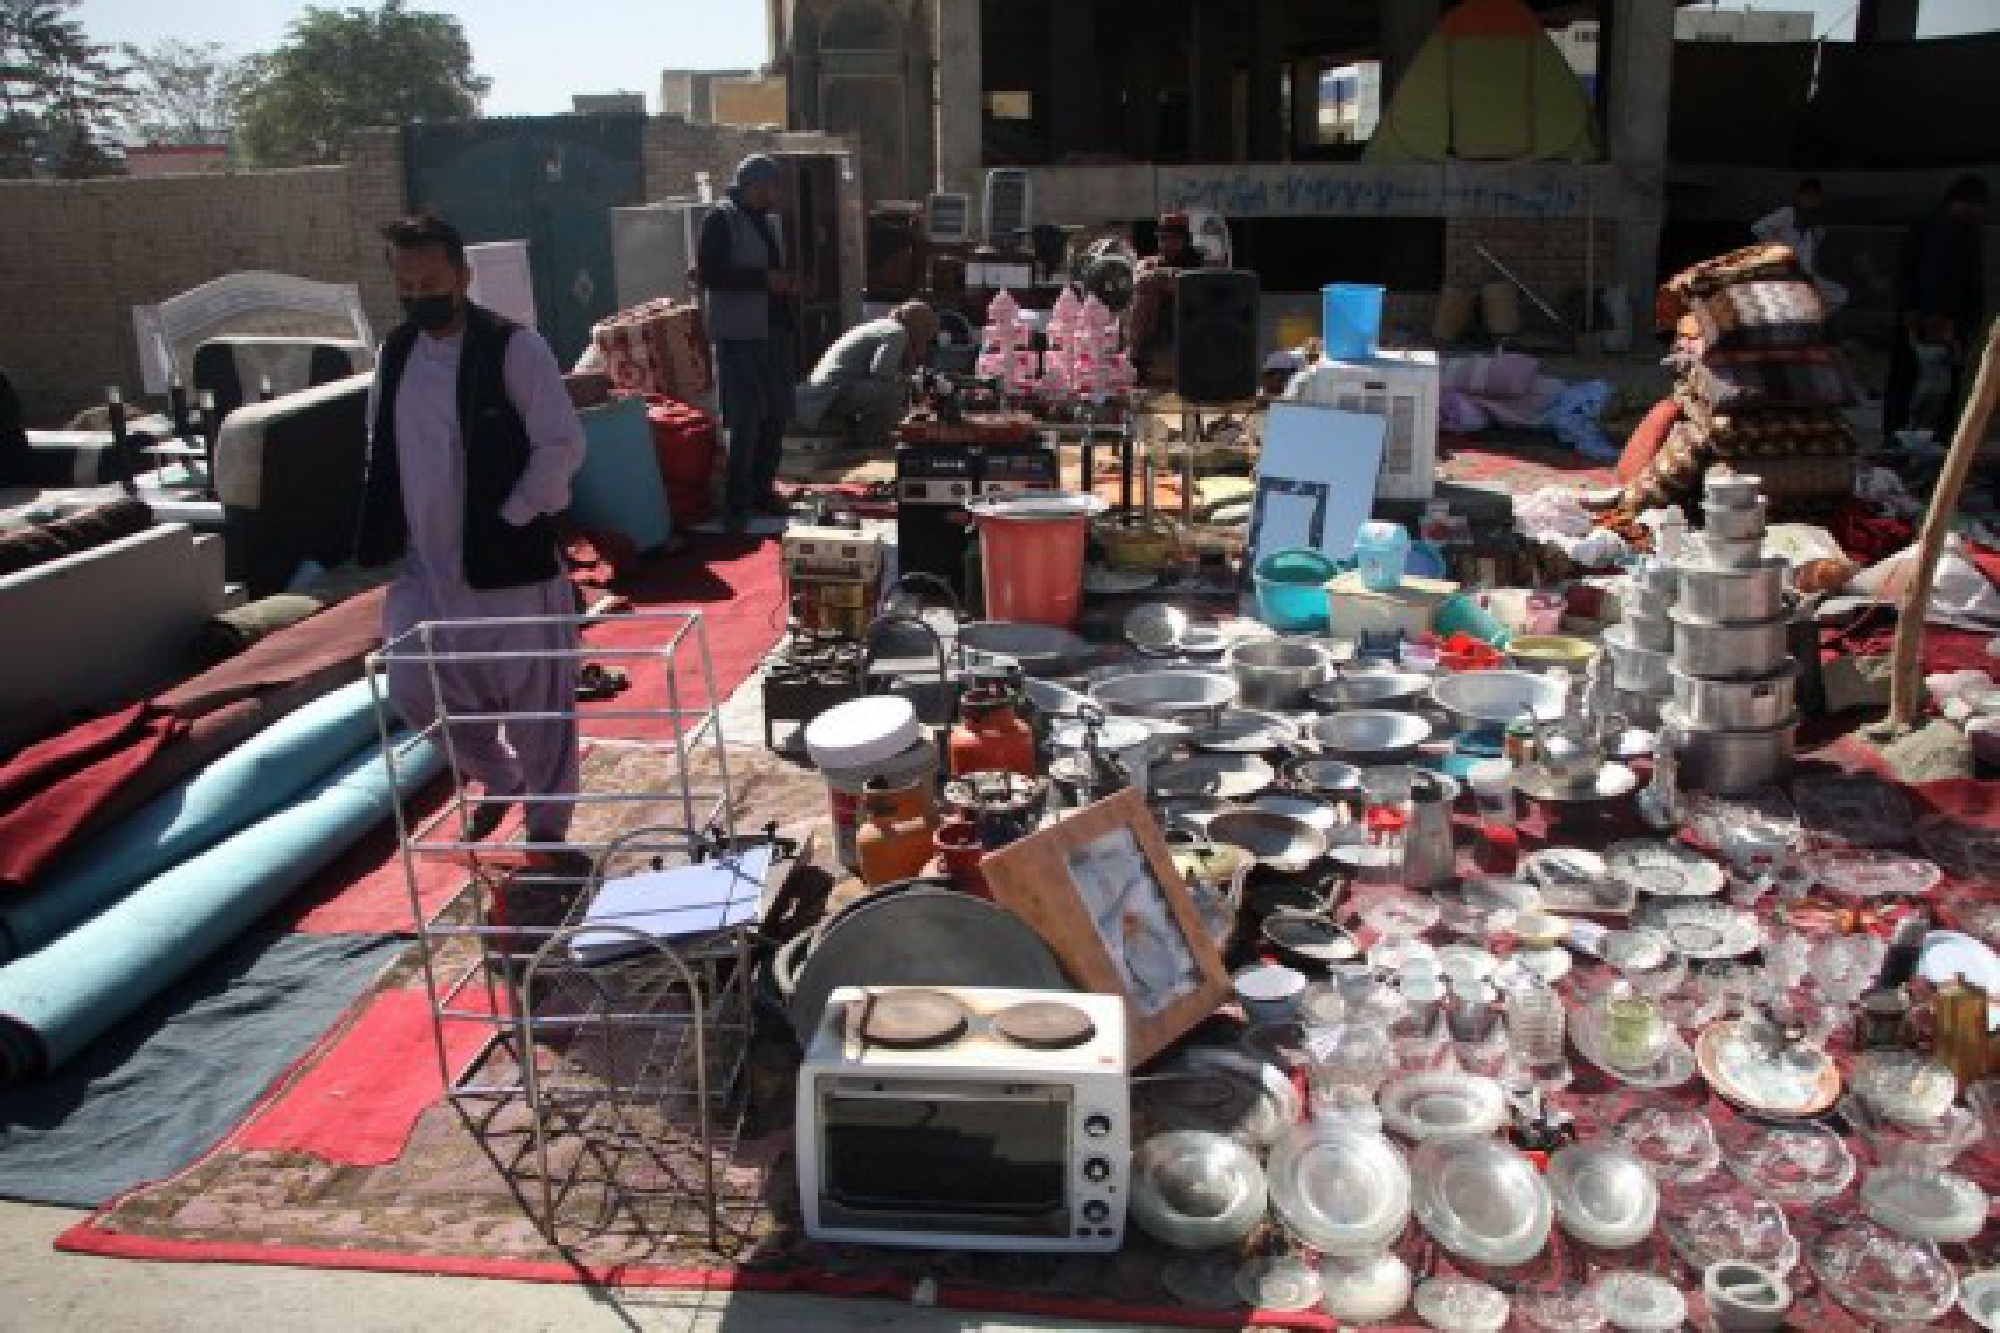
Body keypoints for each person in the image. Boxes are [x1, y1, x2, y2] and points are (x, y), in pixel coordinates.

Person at [353, 214, 586, 857]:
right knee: (413, 684)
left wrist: (514, 514)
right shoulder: (395, 355)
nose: (419, 296)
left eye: (431, 281)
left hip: (508, 559)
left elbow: (561, 445)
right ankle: (497, 772)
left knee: (536, 701)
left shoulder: (515, 348)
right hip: (427, 563)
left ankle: (547, 827)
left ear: (462, 275)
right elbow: (382, 447)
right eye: (406, 286)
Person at [698, 153, 797, 532]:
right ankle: (737, 502)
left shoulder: (766, 222)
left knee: (774, 413)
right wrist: (764, 280)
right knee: (745, 419)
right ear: (753, 185)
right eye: (769, 186)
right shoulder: (721, 219)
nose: (774, 193)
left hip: (773, 331)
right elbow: (711, 274)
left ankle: (762, 490)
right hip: (739, 335)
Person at [1884, 174, 1989, 439]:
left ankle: (1938, 438)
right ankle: (1896, 436)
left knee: (1946, 385)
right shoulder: (1927, 227)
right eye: (1971, 206)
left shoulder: (1968, 234)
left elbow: (1970, 281)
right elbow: (1912, 270)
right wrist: (1913, 310)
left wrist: (1964, 323)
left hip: (1951, 322)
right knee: (1906, 380)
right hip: (1920, 317)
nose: (1974, 213)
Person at [791, 301, 937, 448]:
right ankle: (871, 439)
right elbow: (881, 372)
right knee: (894, 391)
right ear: (919, 327)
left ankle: (866, 434)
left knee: (894, 392)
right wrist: (909, 375)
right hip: (829, 395)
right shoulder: (897, 332)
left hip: (824, 393)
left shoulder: (883, 325)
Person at [1127, 212, 1205, 389]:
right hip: (1155, 334)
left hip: (1187, 332)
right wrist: (1167, 278)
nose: (1166, 245)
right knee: (1146, 295)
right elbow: (1141, 280)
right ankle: (1135, 355)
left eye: (1172, 239)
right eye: (1162, 239)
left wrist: (1170, 279)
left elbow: (1193, 286)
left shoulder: (1197, 265)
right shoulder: (1149, 263)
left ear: (1185, 241)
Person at [1752, 177, 1848, 316]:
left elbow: (1812, 258)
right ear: (1799, 196)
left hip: (1804, 276)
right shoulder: (1787, 213)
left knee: (1840, 295)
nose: (1810, 200)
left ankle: (1809, 318)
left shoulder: (1816, 226)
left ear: (1819, 199)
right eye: (1807, 195)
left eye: (1814, 197)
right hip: (1782, 273)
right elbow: (1757, 228)